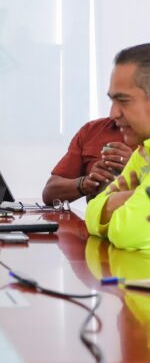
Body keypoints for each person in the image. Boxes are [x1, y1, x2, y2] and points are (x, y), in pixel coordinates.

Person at [85, 43, 150, 250]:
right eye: (113, 101)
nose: (113, 114)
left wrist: (113, 203)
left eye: (124, 101)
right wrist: (127, 199)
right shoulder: (143, 152)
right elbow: (91, 216)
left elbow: (128, 234)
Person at [42, 118, 139, 204]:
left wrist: (136, 165)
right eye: (114, 103)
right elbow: (50, 193)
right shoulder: (92, 130)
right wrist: (85, 184)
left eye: (124, 103)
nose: (113, 112)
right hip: (97, 217)